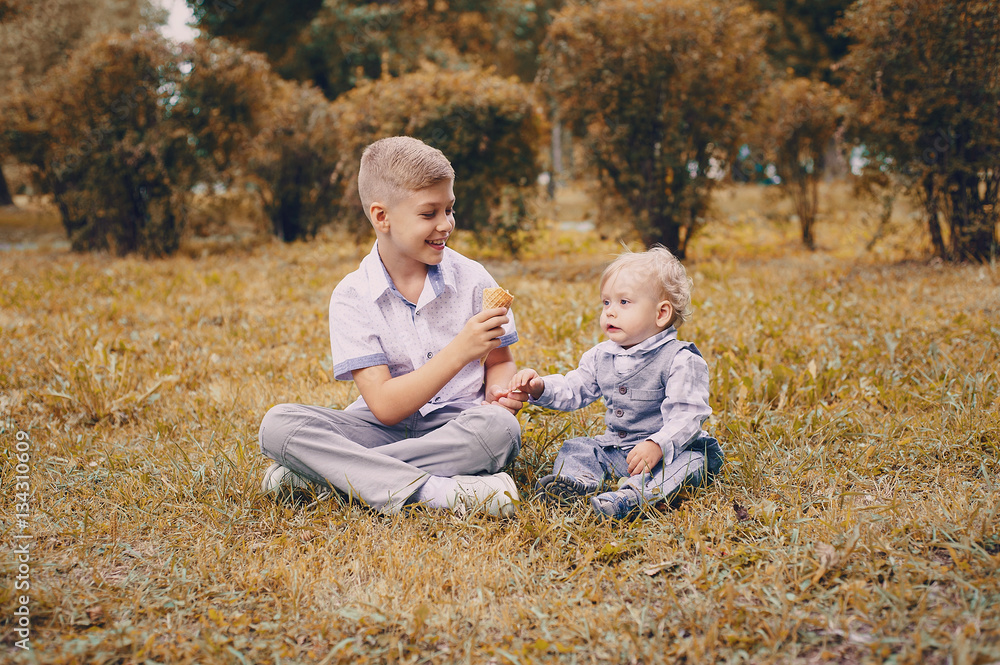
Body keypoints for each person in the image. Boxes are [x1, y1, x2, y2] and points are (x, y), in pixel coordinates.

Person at [258, 136, 524, 516]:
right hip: (377, 427)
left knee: (500, 430)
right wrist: (459, 351)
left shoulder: (474, 278)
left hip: (457, 423)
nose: (446, 224)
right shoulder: (352, 296)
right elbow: (384, 407)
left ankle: (326, 477)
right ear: (382, 217)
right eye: (428, 213)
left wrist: (500, 394)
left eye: (450, 209)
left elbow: (499, 361)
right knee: (278, 425)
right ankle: (437, 492)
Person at [507, 247, 724, 520]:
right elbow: (576, 387)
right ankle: (578, 482)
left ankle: (631, 497)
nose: (610, 312)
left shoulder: (680, 360)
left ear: (661, 314)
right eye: (606, 303)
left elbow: (688, 415)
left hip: (670, 452)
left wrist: (657, 444)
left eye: (624, 302)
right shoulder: (602, 355)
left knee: (693, 463)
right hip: (619, 451)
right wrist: (540, 387)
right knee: (579, 446)